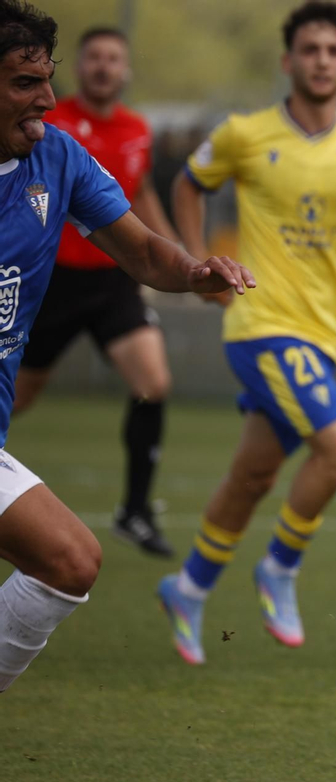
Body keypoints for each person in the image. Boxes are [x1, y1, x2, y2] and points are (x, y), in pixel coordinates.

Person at [156, 2, 336, 665]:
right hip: (261, 323)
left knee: (253, 473)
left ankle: (187, 586)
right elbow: (188, 185)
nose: (322, 60)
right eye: (310, 49)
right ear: (288, 61)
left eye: (334, 50)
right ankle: (279, 566)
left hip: (321, 336)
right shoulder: (246, 133)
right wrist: (198, 267)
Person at [0, 0, 252, 702]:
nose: (46, 98)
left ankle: (137, 503)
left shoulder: (56, 154)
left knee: (71, 561)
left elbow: (141, 247)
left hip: (94, 301)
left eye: (47, 80)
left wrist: (193, 271)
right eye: (25, 83)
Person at [13, 26, 178, 555]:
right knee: (18, 397)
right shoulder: (44, 125)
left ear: (125, 70)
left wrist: (183, 262)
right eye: (95, 59)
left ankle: (134, 510)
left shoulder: (137, 129)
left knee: (153, 381)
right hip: (51, 280)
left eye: (114, 59)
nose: (104, 67)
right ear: (80, 68)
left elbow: (140, 195)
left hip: (113, 281)